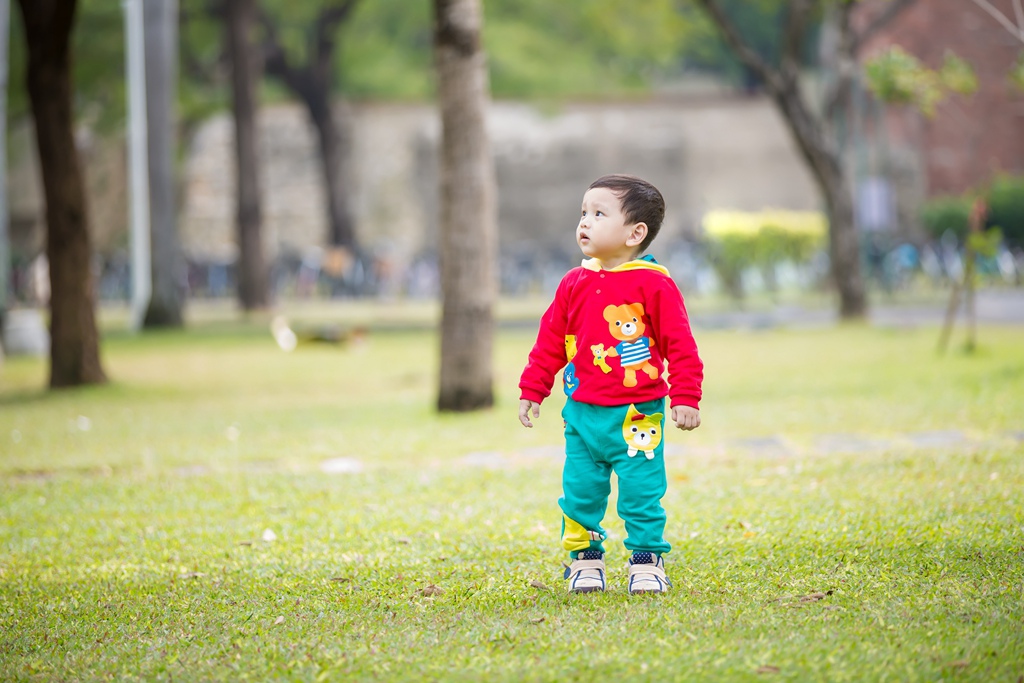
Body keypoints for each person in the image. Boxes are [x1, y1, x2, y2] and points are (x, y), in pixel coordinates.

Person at [518, 174, 703, 595]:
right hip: (582, 414)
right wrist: (533, 389)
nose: (585, 222)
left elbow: (681, 345)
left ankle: (646, 559)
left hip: (638, 414)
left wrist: (686, 395)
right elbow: (550, 342)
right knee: (579, 493)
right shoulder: (573, 283)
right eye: (583, 213)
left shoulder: (655, 283)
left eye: (599, 214)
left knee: (641, 493)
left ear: (635, 233)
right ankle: (585, 560)